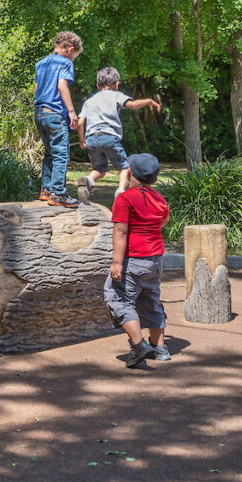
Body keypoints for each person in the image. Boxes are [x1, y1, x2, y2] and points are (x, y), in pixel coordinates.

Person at [103, 153, 171, 369]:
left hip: (134, 259)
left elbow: (121, 231)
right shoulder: (159, 199)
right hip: (155, 260)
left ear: (129, 173)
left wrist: (117, 262)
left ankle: (139, 344)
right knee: (150, 299)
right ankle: (160, 348)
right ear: (155, 180)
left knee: (117, 297)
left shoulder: (124, 199)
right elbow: (163, 222)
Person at [77, 67, 161, 200]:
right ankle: (121, 192)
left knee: (100, 169)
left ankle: (87, 180)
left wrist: (82, 140)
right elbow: (132, 105)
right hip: (108, 135)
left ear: (98, 86)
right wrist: (149, 101)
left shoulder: (89, 101)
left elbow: (80, 122)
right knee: (124, 166)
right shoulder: (116, 95)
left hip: (91, 138)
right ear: (116, 84)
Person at [34, 31, 83, 208]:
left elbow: (37, 88)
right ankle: (59, 194)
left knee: (49, 152)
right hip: (55, 113)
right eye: (74, 56)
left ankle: (46, 190)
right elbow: (62, 85)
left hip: (39, 112)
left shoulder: (40, 63)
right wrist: (71, 111)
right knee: (61, 154)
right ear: (70, 49)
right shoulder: (64, 62)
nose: (73, 60)